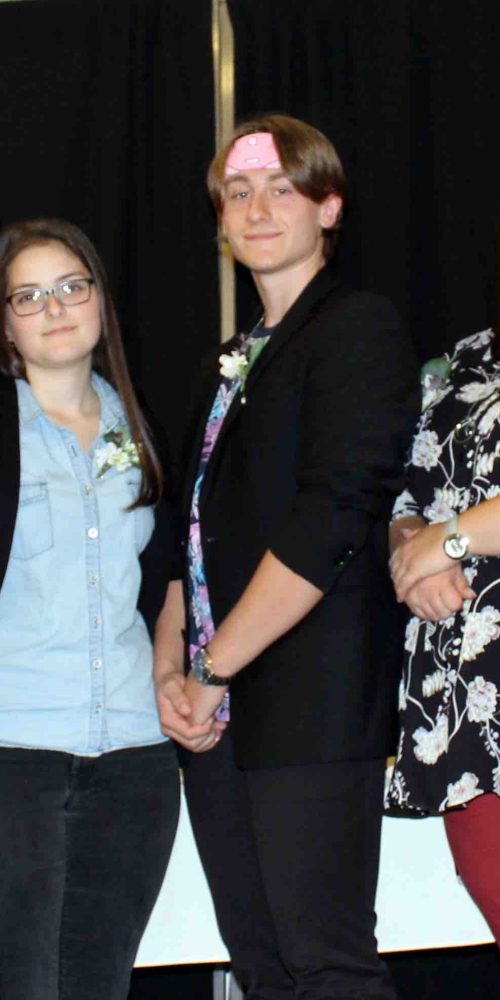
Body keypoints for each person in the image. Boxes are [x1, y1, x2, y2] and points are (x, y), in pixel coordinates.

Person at [155, 114, 418, 998]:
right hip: (216, 716)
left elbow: (330, 519)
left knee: (325, 964)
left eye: (281, 188)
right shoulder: (226, 363)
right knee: (262, 969)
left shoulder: (356, 328)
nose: (258, 209)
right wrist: (171, 672)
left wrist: (212, 669)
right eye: (239, 193)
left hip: (306, 704)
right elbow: (185, 538)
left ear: (328, 207)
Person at [0, 218, 182, 1000]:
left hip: (134, 761)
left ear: (101, 300)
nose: (54, 308)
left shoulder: (139, 427)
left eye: (71, 287)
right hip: (16, 752)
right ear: (7, 324)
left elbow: (172, 576)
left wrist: (177, 675)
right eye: (28, 295)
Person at [388, 325, 500, 944]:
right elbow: (407, 493)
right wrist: (414, 557)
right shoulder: (465, 357)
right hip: (468, 710)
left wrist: (450, 540)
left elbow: (446, 529)